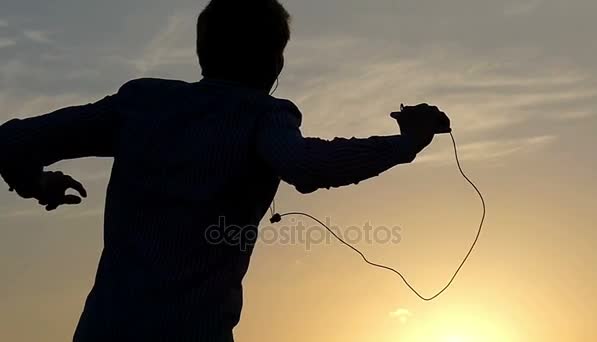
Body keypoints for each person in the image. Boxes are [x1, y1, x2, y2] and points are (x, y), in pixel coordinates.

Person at [0, 0, 450, 341]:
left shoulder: (142, 104)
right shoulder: (263, 115)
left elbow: (10, 142)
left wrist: (34, 182)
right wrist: (407, 141)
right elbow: (307, 165)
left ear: (203, 50)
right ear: (276, 61)